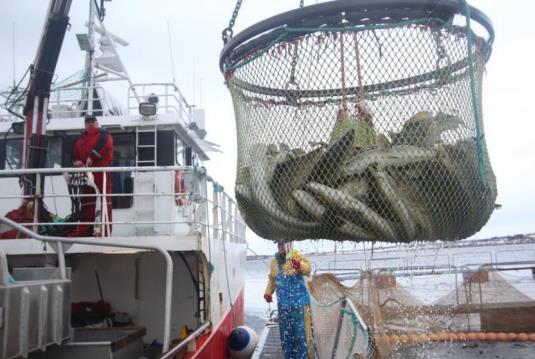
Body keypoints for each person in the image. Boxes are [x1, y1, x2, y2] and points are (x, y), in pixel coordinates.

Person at [264, 242, 314, 359]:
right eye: (279, 244)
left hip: (299, 305)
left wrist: (299, 265)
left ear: (289, 244)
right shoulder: (274, 262)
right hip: (283, 307)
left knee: (301, 336)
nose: (281, 246)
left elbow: (308, 269)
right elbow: (272, 279)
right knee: (286, 337)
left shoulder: (296, 255)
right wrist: (268, 292)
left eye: (283, 244)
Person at [72, 115, 113, 236]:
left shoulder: (104, 135)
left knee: (105, 200)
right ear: (85, 124)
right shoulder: (80, 139)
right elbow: (74, 154)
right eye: (87, 122)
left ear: (96, 123)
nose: (90, 124)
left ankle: (105, 231)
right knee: (87, 203)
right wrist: (76, 161)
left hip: (101, 171)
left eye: (92, 121)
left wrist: (91, 157)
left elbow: (105, 146)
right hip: (86, 173)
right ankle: (85, 231)